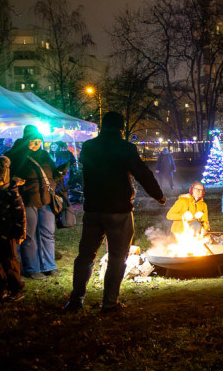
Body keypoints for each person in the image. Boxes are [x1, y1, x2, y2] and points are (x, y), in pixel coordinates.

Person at [63, 112, 166, 313]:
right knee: (118, 256)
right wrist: (158, 195)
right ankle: (109, 303)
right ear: (121, 128)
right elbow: (143, 174)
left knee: (85, 256)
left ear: (102, 127)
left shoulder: (89, 146)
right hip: (119, 210)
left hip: (93, 208)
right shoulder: (125, 148)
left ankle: (76, 301)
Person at [8, 125, 66, 279]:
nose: (36, 144)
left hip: (46, 200)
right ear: (26, 140)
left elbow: (51, 174)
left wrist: (59, 174)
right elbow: (6, 176)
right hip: (27, 200)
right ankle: (32, 268)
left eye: (39, 141)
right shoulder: (15, 155)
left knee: (48, 233)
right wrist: (14, 181)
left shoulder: (44, 155)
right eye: (33, 141)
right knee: (29, 236)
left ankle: (49, 265)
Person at [0, 155, 27, 303]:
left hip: (8, 234)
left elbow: (20, 213)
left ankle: (15, 288)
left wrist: (21, 232)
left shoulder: (12, 194)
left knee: (10, 262)